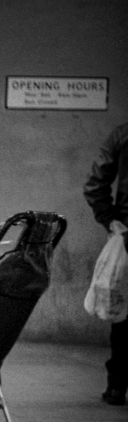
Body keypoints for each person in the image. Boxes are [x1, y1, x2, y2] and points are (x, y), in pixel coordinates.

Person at [83, 122, 128, 406]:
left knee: (124, 313)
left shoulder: (123, 134)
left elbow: (95, 184)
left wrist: (110, 219)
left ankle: (116, 386)